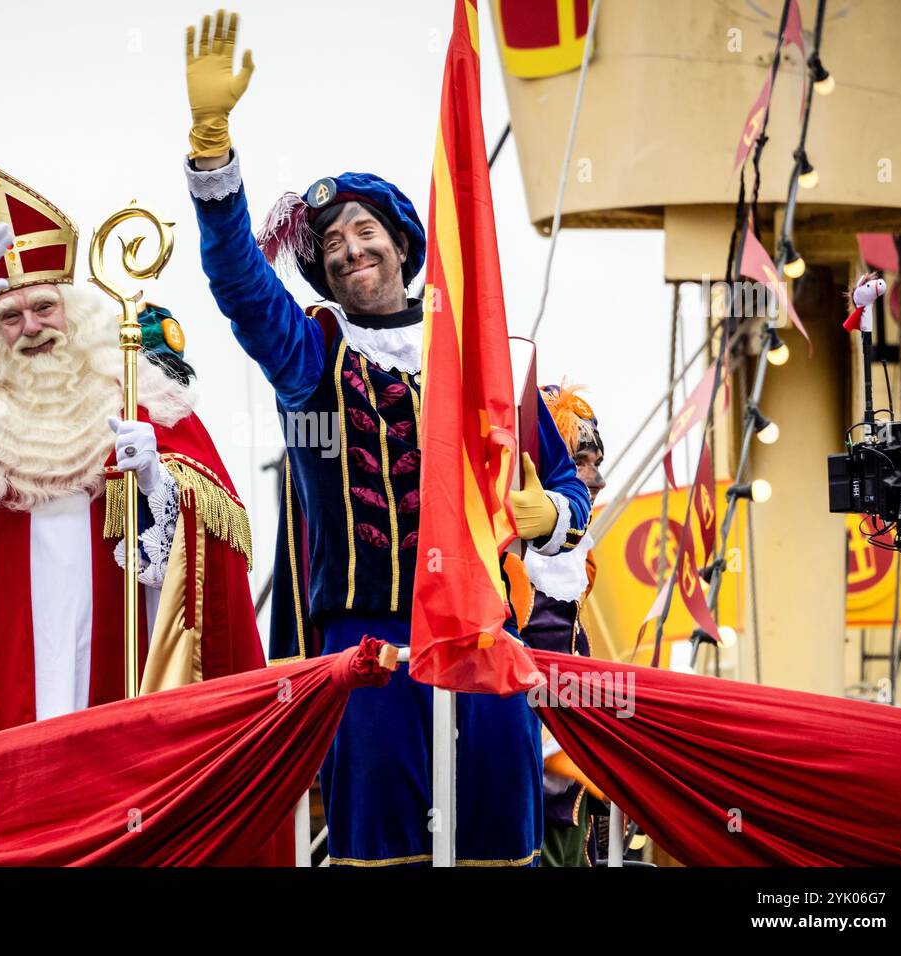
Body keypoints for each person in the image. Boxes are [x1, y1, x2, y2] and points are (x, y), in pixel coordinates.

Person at [180, 10, 591, 866]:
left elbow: (572, 493)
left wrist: (545, 509)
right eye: (330, 243)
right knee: (380, 853)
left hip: (483, 637)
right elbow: (240, 285)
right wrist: (214, 155)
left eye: (364, 231)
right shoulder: (312, 357)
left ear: (404, 245)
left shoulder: (489, 361)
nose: (347, 249)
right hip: (364, 648)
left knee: (496, 847)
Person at [0, 165, 264, 773]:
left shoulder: (147, 410)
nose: (31, 329)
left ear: (74, 312)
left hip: (115, 698)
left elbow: (200, 574)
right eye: (9, 317)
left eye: (44, 307)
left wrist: (158, 485)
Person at [517, 383, 609, 866]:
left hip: (572, 776)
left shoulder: (577, 562)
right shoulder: (507, 566)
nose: (598, 479)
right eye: (582, 462)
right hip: (529, 780)